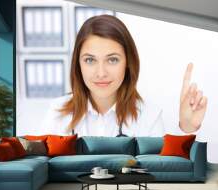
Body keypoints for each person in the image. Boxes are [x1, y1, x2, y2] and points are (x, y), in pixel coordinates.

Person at [40, 15, 207, 137]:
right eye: (90, 60)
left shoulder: (149, 116)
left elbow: (166, 171)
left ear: (128, 62)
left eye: (112, 59)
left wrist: (187, 127)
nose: (101, 73)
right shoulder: (56, 114)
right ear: (78, 64)